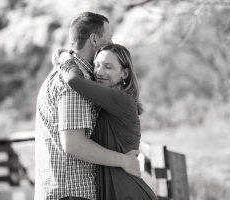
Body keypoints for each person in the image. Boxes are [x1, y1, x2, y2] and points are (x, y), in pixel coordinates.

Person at [35, 12, 140, 200]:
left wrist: (64, 55)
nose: (111, 43)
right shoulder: (75, 83)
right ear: (94, 39)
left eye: (108, 67)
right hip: (73, 192)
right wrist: (125, 161)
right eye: (108, 39)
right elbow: (74, 144)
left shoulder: (70, 76)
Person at [57, 43, 158, 200]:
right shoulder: (108, 103)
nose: (100, 72)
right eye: (96, 65)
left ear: (124, 73)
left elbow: (74, 80)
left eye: (108, 67)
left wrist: (63, 56)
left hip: (128, 193)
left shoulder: (120, 99)